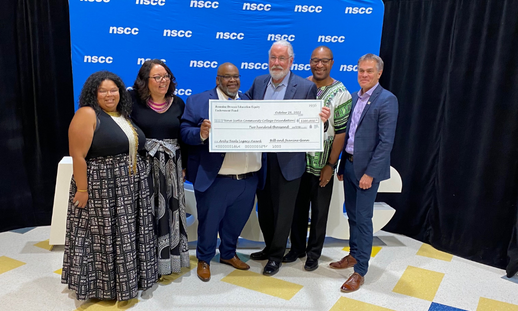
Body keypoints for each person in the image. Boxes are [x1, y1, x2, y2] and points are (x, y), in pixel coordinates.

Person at [61, 71, 158, 301]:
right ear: (93, 93)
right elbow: (78, 155)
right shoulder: (87, 114)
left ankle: (128, 280)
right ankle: (102, 288)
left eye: (113, 90)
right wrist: (82, 190)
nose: (109, 94)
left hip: (127, 188)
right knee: (103, 236)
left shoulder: (121, 115)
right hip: (102, 188)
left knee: (123, 236)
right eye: (103, 90)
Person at [245, 40, 330, 276]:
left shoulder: (305, 87)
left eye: (282, 58)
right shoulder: (259, 82)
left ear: (291, 61)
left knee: (284, 210)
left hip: (290, 160)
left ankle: (276, 256)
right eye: (273, 57)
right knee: (266, 207)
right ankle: (270, 246)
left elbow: (314, 127)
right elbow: (245, 110)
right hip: (261, 158)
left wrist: (321, 122)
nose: (276, 62)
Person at [181, 63, 262, 282]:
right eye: (227, 77)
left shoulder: (249, 103)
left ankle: (228, 254)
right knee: (209, 223)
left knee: (236, 221)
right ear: (218, 79)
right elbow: (184, 133)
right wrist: (202, 133)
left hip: (247, 177)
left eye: (236, 77)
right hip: (215, 178)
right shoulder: (197, 101)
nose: (233, 81)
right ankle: (205, 258)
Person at [330, 54, 398, 292]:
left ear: (379, 73)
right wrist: (340, 166)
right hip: (348, 166)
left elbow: (385, 143)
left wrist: (370, 174)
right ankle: (353, 255)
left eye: (369, 71)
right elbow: (349, 136)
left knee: (364, 220)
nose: (364, 75)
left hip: (367, 172)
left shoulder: (387, 100)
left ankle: (360, 271)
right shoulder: (353, 97)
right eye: (361, 71)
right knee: (353, 217)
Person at [284, 46, 352, 271]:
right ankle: (297, 248)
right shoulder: (302, 86)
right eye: (315, 61)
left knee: (320, 212)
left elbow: (341, 133)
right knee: (296, 209)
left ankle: (313, 253)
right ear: (309, 62)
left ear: (332, 63)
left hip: (322, 164)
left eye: (324, 61)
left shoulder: (341, 93)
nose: (319, 65)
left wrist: (330, 165)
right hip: (298, 162)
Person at [130, 59, 190, 275]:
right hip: (144, 168)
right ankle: (145, 262)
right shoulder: (132, 101)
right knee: (146, 213)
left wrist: (186, 168)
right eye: (157, 77)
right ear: (145, 81)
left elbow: (184, 136)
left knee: (171, 213)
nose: (163, 81)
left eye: (166, 77)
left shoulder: (179, 103)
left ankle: (170, 261)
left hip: (172, 168)